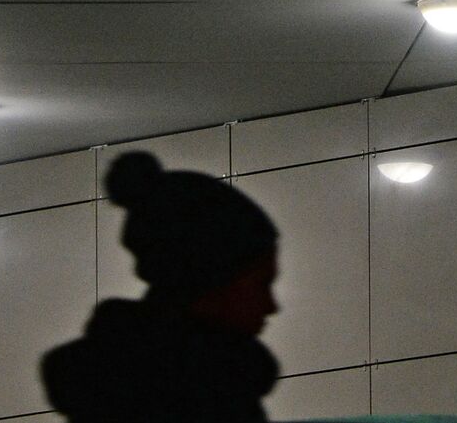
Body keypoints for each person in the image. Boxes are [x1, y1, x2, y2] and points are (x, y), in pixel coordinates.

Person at [43, 152, 282, 423]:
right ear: (206, 284)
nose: (272, 306)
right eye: (262, 284)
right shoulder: (206, 395)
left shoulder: (119, 385)